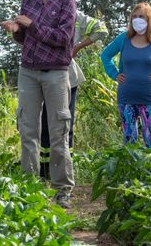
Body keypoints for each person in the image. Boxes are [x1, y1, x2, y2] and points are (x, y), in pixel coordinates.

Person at [0, 0, 76, 208]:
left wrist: (31, 26)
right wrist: (16, 31)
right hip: (28, 71)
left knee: (58, 132)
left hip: (55, 72)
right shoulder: (28, 0)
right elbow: (25, 39)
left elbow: (62, 40)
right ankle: (29, 188)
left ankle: (62, 189)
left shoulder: (67, 1)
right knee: (28, 130)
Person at [100, 2, 151, 151]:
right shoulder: (123, 39)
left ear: (149, 19)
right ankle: (132, 172)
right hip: (126, 97)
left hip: (149, 97)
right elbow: (105, 55)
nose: (138, 20)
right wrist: (114, 74)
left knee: (150, 139)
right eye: (135, 17)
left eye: (142, 17)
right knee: (129, 140)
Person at [39, 13, 107, 179]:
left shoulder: (72, 14)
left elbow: (102, 29)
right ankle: (45, 171)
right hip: (42, 76)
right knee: (45, 126)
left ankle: (65, 170)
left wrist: (77, 47)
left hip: (68, 78)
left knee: (65, 126)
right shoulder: (37, 11)